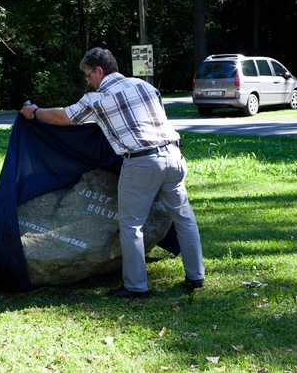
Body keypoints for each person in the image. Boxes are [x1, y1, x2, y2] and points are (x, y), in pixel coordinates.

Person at [20, 47, 204, 299]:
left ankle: (136, 286)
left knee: (131, 226)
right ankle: (196, 276)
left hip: (141, 163)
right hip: (173, 157)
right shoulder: (145, 86)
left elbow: (64, 118)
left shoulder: (98, 99)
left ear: (99, 70)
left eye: (88, 75)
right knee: (184, 219)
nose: (88, 81)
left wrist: (36, 112)